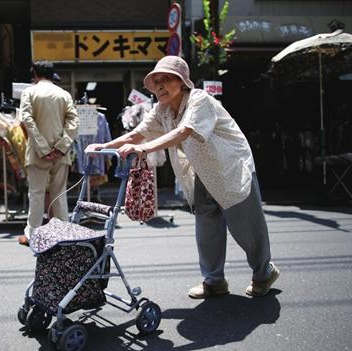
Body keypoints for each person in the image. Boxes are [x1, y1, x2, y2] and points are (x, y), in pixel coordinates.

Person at [85, 56, 280, 298]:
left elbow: (184, 131)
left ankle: (264, 273)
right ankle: (214, 281)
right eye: (155, 82)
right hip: (202, 172)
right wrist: (104, 146)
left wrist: (145, 149)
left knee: (246, 227)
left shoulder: (200, 99)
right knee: (206, 229)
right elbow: (138, 133)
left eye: (165, 79)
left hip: (231, 169)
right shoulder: (161, 109)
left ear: (182, 82)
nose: (159, 86)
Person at [17, 60, 79, 245]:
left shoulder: (29, 92)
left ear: (35, 74)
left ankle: (32, 235)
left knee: (36, 194)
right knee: (59, 194)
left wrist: (43, 148)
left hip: (37, 153)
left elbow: (26, 119)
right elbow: (73, 122)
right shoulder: (64, 94)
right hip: (61, 154)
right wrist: (61, 147)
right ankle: (64, 234)